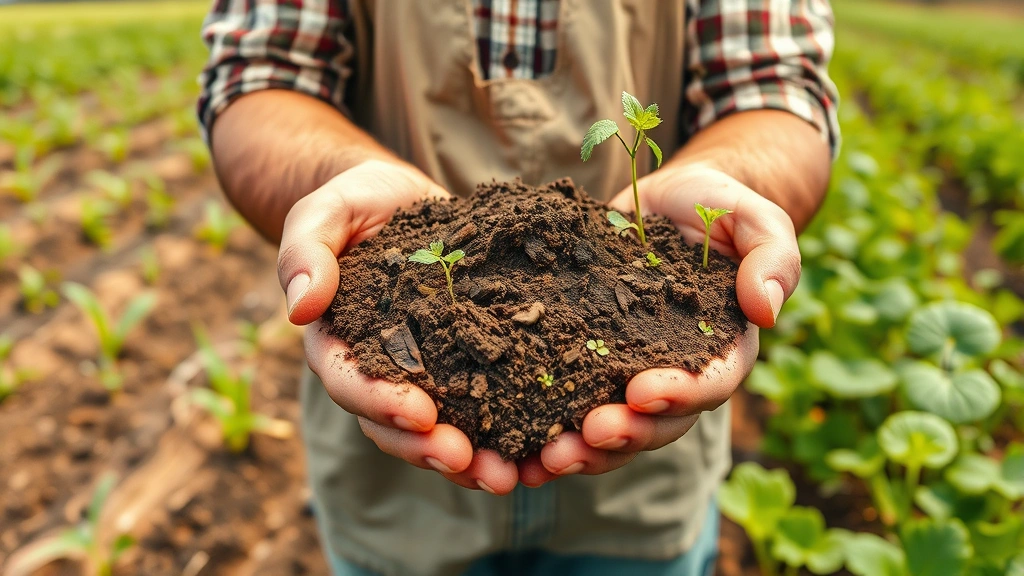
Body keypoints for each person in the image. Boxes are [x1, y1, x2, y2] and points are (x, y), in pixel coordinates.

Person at [198, 1, 838, 575]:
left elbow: (779, 92)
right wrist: (340, 178)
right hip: (394, 497)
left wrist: (724, 179)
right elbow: (260, 80)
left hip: (643, 497)